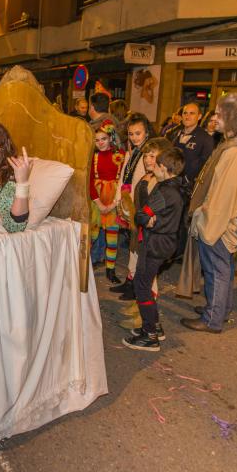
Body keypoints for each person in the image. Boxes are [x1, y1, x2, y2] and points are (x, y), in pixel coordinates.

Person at [178, 93, 237, 333]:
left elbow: (223, 198)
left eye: (219, 114)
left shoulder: (234, 153)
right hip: (221, 221)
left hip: (219, 223)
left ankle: (212, 318)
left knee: (217, 269)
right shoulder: (235, 146)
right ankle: (219, 309)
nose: (214, 118)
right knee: (221, 268)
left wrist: (206, 223)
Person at [122, 147, 186, 351]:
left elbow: (141, 215)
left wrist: (146, 219)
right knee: (145, 283)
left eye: (157, 164)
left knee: (142, 286)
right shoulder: (177, 185)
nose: (153, 166)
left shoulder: (165, 190)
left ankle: (150, 335)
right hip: (166, 242)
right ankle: (155, 326)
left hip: (156, 244)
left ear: (165, 168)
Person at [112, 133, 170, 301]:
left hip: (150, 236)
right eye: (145, 156)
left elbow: (157, 211)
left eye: (152, 156)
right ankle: (139, 310)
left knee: (148, 280)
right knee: (138, 272)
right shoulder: (147, 176)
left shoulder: (160, 181)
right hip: (139, 231)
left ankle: (148, 319)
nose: (147, 160)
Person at [89, 123, 125, 283]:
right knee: (91, 236)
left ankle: (110, 269)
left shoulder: (122, 155)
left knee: (112, 237)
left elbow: (125, 181)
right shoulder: (92, 157)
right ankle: (84, 267)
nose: (101, 142)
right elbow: (89, 182)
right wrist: (99, 205)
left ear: (111, 137)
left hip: (114, 200)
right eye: (97, 140)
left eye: (104, 138)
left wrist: (113, 205)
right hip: (96, 200)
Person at [166, 102, 215, 188]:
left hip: (189, 187)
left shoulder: (206, 138)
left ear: (199, 116)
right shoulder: (173, 134)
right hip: (169, 181)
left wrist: (186, 180)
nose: (187, 116)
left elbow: (205, 164)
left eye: (192, 113)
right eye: (185, 113)